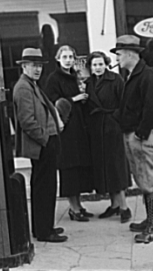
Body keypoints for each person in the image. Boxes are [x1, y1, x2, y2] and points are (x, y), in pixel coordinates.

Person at [111, 35, 153, 243]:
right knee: (142, 180)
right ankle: (149, 220)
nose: (118, 58)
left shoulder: (147, 76)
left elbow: (152, 108)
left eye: (120, 54)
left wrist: (140, 134)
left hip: (140, 136)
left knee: (150, 182)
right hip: (132, 134)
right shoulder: (133, 75)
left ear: (131, 54)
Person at [13, 48, 67, 243]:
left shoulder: (31, 85)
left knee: (44, 187)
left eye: (39, 66)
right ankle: (44, 231)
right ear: (24, 66)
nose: (37, 69)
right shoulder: (23, 88)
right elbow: (26, 120)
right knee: (45, 188)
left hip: (45, 142)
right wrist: (45, 140)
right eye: (33, 65)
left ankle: (43, 227)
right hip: (42, 144)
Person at [43, 45, 94, 222]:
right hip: (66, 128)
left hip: (79, 128)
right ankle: (73, 208)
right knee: (70, 168)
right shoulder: (53, 78)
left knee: (79, 168)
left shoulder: (75, 76)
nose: (68, 60)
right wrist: (75, 99)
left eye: (71, 57)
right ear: (58, 59)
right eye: (65, 57)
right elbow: (52, 102)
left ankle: (79, 205)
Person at [84, 51, 132, 223]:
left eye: (101, 64)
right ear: (90, 67)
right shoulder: (88, 83)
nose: (98, 68)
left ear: (106, 64)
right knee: (105, 168)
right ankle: (114, 205)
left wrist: (116, 120)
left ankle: (124, 207)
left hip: (112, 128)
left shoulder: (116, 80)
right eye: (94, 65)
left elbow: (125, 103)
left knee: (116, 167)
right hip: (97, 130)